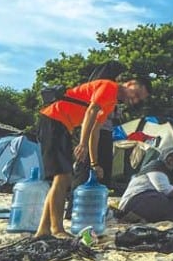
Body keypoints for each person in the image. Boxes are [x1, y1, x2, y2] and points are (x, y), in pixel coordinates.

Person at [35, 76, 151, 238]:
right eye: (136, 93)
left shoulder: (111, 104)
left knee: (62, 178)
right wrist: (81, 143)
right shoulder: (109, 87)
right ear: (130, 84)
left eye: (139, 99)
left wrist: (94, 162)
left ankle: (44, 229)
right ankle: (57, 229)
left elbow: (95, 131)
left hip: (63, 126)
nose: (135, 99)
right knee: (62, 177)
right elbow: (90, 111)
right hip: (54, 120)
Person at [118, 147, 173, 223]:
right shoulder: (155, 166)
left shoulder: (170, 173)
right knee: (159, 198)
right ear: (164, 156)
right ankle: (131, 217)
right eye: (170, 156)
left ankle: (166, 221)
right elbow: (164, 189)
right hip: (133, 201)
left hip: (151, 199)